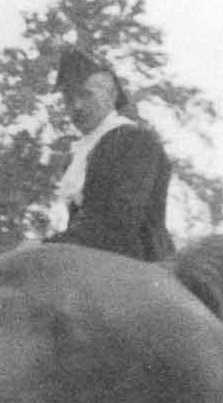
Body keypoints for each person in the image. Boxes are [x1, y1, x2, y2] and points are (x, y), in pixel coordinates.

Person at [46, 48, 174, 261]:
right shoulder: (78, 154)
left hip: (141, 263)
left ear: (112, 95)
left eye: (85, 94)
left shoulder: (135, 141)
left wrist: (53, 246)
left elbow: (120, 225)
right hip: (89, 259)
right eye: (68, 98)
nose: (76, 106)